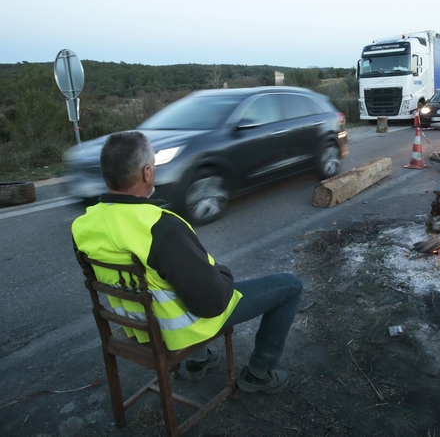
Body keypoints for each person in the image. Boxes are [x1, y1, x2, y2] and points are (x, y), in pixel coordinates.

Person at [72, 131, 303, 393]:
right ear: (147, 172)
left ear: (107, 174)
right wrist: (223, 274)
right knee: (289, 287)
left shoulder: (83, 225)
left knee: (174, 281)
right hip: (177, 329)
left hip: (138, 327)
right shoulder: (160, 225)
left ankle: (199, 360)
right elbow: (212, 303)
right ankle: (259, 374)